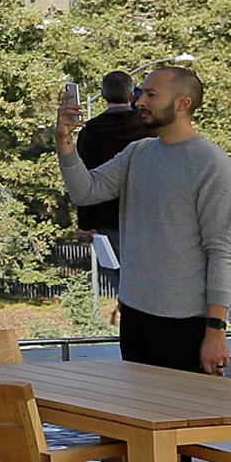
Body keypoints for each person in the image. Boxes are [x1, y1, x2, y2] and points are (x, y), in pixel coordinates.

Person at [57, 65, 231, 462]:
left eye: (150, 93)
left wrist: (215, 326)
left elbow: (222, 249)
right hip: (138, 312)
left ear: (181, 103)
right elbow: (86, 192)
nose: (140, 100)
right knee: (143, 430)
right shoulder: (139, 153)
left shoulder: (211, 164)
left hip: (188, 321)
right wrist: (66, 142)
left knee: (189, 437)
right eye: (140, 92)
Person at [75, 70, 157, 304]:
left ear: (103, 95)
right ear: (132, 94)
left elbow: (85, 179)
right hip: (148, 216)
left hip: (108, 218)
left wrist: (86, 224)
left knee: (124, 289)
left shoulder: (91, 131)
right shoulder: (148, 128)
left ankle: (131, 330)